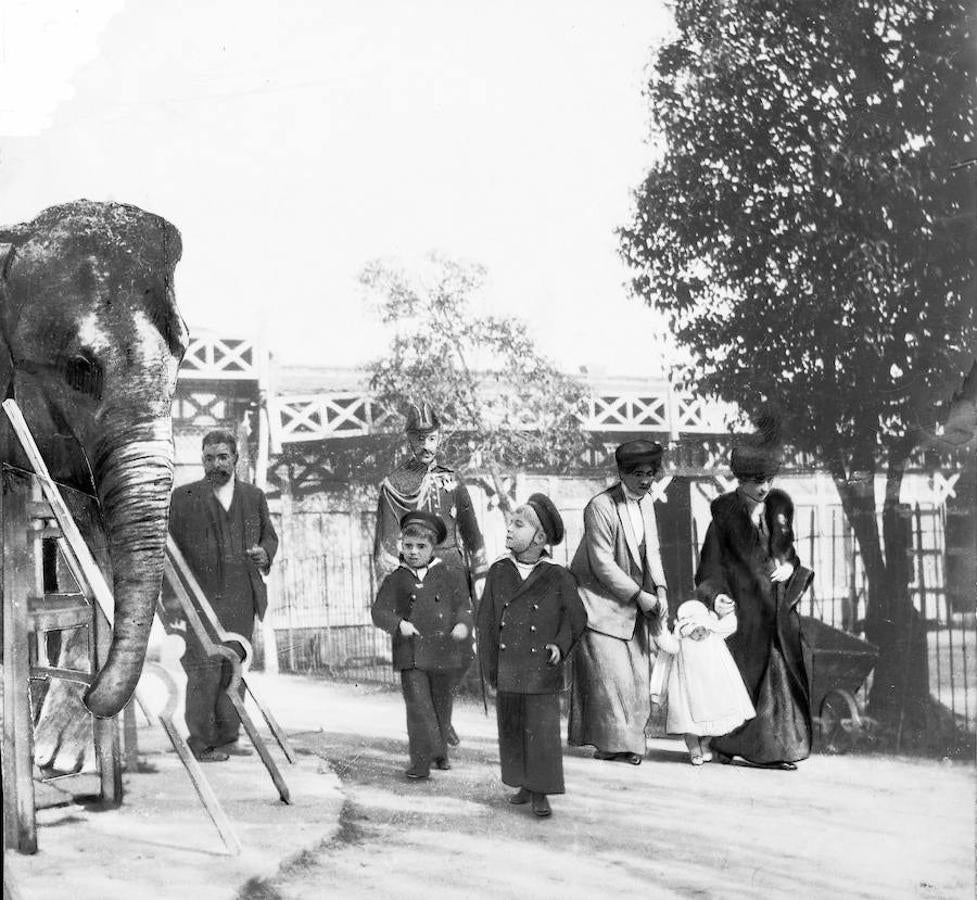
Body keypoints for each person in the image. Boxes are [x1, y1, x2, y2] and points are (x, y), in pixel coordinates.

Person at [694, 425, 814, 770]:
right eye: (755, 480)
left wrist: (790, 568)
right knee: (748, 682)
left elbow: (790, 556)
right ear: (740, 479)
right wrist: (716, 598)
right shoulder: (722, 520)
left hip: (778, 613)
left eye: (768, 480)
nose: (763, 488)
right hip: (744, 617)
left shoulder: (777, 513)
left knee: (780, 683)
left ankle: (778, 749)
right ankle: (743, 746)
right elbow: (707, 573)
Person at [373, 402, 488, 745]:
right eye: (418, 438)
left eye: (432, 438)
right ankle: (436, 725)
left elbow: (472, 530)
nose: (425, 445)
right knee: (423, 656)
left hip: (452, 574)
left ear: (440, 439)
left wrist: (479, 575)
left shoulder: (452, 480)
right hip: (416, 579)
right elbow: (389, 539)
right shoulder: (394, 484)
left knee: (461, 651)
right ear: (408, 440)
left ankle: (442, 713)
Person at [168, 429, 279, 762]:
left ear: (236, 459)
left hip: (241, 596)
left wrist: (265, 554)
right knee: (203, 669)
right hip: (198, 601)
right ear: (202, 459)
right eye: (209, 457)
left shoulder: (254, 497)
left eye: (222, 457)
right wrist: (173, 602)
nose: (215, 464)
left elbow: (269, 538)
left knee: (235, 667)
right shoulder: (183, 497)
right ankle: (200, 742)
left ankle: (229, 736)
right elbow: (168, 556)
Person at [477, 494, 587, 818]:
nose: (509, 529)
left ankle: (541, 792)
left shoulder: (557, 575)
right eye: (510, 523)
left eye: (518, 524)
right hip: (509, 668)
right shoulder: (499, 572)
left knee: (540, 733)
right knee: (512, 730)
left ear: (539, 538)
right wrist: (489, 667)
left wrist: (560, 644)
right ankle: (524, 784)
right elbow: (486, 620)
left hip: (540, 669)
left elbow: (576, 618)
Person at [568, 440, 669, 765]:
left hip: (632, 605)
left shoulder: (648, 504)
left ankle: (629, 744)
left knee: (638, 679)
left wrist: (662, 589)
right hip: (598, 603)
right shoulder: (599, 506)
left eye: (651, 474)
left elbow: (652, 550)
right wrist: (640, 596)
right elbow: (601, 563)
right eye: (638, 474)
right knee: (612, 679)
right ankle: (613, 744)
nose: (645, 481)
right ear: (622, 473)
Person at [371, 511, 473, 780]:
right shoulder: (395, 579)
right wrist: (398, 624)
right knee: (418, 706)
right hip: (411, 653)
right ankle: (420, 762)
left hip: (444, 649)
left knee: (441, 705)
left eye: (421, 547)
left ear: (433, 548)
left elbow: (464, 606)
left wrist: (463, 625)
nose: (413, 552)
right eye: (408, 546)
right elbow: (379, 612)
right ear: (401, 545)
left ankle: (441, 755)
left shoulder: (449, 574)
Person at [650, 598, 755, 765]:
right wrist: (660, 625)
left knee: (718, 720)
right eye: (694, 629)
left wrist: (726, 611)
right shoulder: (681, 642)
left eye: (703, 629)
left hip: (712, 690)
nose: (700, 633)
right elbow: (667, 643)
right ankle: (693, 748)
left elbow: (729, 625)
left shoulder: (713, 638)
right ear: (685, 629)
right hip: (688, 692)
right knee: (689, 723)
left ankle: (705, 743)